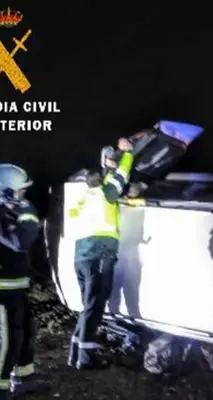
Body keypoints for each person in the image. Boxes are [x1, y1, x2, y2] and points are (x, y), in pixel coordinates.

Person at [0, 163, 50, 400]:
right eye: (20, 191)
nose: (24, 195)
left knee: (27, 332)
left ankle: (23, 378)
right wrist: (28, 213)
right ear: (6, 192)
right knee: (8, 341)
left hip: (15, 286)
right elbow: (21, 241)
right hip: (2, 290)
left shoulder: (6, 212)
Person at [67, 137, 134, 370]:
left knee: (89, 305)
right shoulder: (107, 192)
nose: (114, 164)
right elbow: (122, 175)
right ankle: (86, 358)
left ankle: (76, 352)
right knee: (95, 306)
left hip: (82, 255)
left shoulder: (84, 197)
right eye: (110, 160)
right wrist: (128, 154)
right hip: (100, 254)